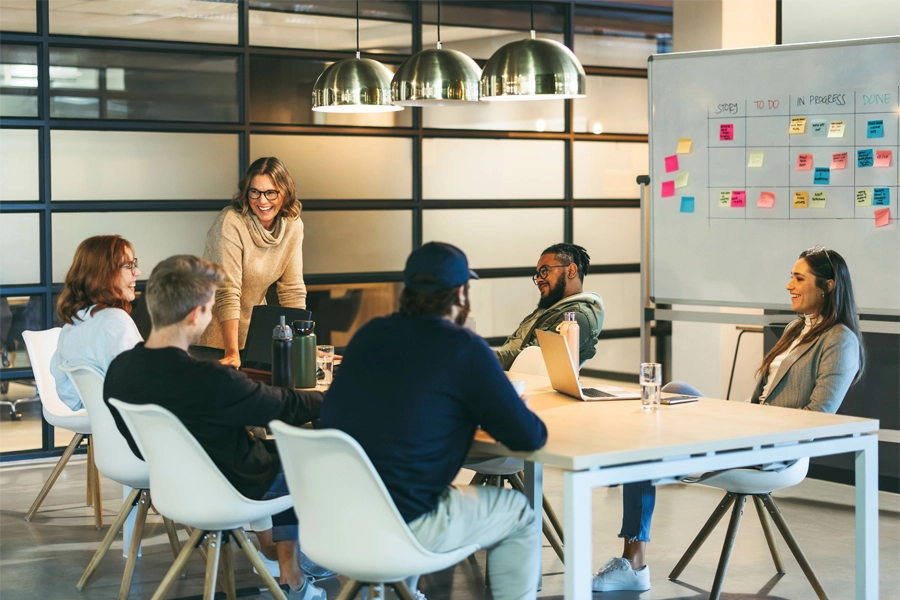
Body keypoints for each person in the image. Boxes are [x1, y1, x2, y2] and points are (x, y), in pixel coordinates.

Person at [591, 245, 866, 593]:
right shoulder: (796, 328)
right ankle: (644, 463)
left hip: (774, 449)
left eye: (799, 278)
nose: (788, 285)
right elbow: (761, 398)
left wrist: (751, 424)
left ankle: (633, 558)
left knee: (644, 450)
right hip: (749, 429)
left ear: (827, 286)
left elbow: (818, 418)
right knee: (674, 391)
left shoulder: (840, 341)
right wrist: (740, 420)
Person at [321, 242, 547, 600]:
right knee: (519, 513)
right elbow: (529, 437)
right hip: (407, 525)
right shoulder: (463, 348)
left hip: (333, 519)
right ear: (460, 293)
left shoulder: (368, 336)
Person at [104, 255, 328, 599]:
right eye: (210, 308)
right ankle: (293, 577)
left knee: (262, 443)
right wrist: (330, 396)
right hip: (230, 488)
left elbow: (156, 435)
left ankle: (273, 555)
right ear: (196, 315)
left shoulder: (120, 370)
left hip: (172, 488)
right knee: (296, 455)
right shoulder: (210, 379)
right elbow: (287, 406)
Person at [197, 156, 306, 367]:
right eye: (254, 191)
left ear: (285, 193)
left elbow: (292, 290)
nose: (262, 201)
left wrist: (302, 347)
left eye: (271, 193)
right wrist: (231, 351)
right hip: (210, 337)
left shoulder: (292, 225)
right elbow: (227, 291)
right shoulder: (231, 222)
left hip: (252, 336)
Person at [50, 235, 143, 411]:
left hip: (105, 427)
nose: (137, 272)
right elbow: (140, 389)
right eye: (128, 266)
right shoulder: (116, 322)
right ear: (104, 274)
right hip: (137, 429)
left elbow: (70, 398)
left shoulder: (70, 328)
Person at [495, 243, 604, 370]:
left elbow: (533, 358)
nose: (539, 280)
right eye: (538, 275)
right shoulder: (550, 309)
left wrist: (482, 358)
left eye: (545, 271)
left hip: (523, 384)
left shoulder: (576, 317)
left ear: (571, 271)